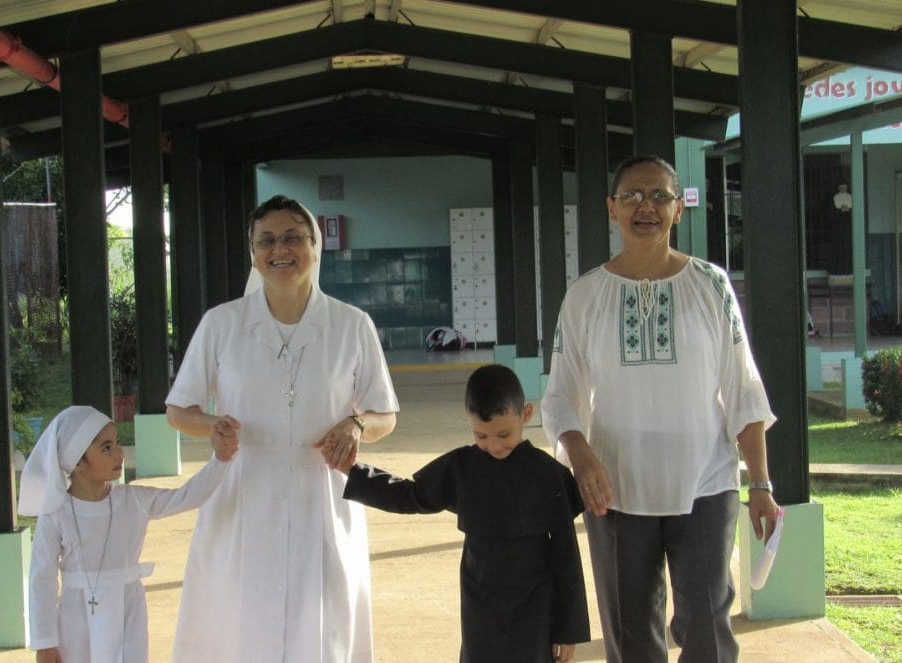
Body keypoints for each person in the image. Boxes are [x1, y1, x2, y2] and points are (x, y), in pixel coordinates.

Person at [541, 154, 780, 663]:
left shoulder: (711, 285)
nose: (645, 207)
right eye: (631, 196)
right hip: (616, 489)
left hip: (705, 485)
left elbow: (743, 390)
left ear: (679, 210)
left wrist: (759, 485)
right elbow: (561, 395)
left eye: (659, 196)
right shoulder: (584, 295)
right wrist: (582, 458)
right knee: (630, 634)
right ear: (611, 208)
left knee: (706, 625)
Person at [165, 194, 400, 662]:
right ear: (254, 252)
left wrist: (355, 425)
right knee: (238, 614)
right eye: (266, 240)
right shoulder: (222, 323)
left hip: (323, 489)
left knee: (324, 619)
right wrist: (212, 425)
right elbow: (179, 409)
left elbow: (383, 414)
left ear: (316, 246)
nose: (280, 249)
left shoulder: (352, 325)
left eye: (293, 237)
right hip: (242, 486)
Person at [343, 364, 590, 663]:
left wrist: (567, 630)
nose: (494, 446)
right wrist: (355, 472)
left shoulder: (549, 475)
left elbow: (566, 558)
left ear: (526, 414)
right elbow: (410, 496)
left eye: (503, 434)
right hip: (480, 608)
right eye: (481, 436)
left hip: (535, 608)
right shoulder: (463, 468)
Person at [19, 405, 236, 663]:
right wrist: (45, 642)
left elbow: (186, 497)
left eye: (118, 443)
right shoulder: (56, 514)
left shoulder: (133, 501)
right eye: (106, 448)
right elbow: (41, 578)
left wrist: (220, 461)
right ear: (77, 461)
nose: (119, 453)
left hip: (127, 608)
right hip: (75, 617)